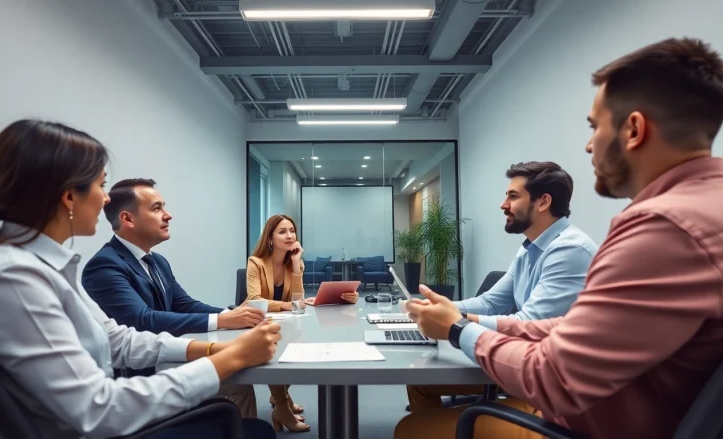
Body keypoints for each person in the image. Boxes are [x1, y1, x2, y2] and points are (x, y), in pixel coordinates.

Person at [396, 37, 723, 439]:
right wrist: (457, 317)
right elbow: (565, 330)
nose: (588, 145)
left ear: (634, 129)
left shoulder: (663, 228)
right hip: (609, 408)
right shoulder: (704, 208)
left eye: (594, 127)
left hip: (582, 425)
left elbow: (554, 377)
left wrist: (458, 329)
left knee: (413, 431)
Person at [0, 119, 278, 439]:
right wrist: (232, 357)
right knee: (256, 432)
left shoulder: (36, 267)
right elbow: (99, 410)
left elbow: (119, 340)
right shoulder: (12, 279)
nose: (106, 198)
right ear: (69, 197)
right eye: (100, 185)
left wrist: (211, 349)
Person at [406, 161, 598, 413]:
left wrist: (455, 320)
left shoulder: (569, 249)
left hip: (553, 387)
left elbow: (528, 324)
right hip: (528, 365)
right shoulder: (530, 247)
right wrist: (435, 308)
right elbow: (490, 302)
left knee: (411, 428)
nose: (503, 204)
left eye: (513, 196)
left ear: (543, 202)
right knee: (419, 381)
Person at [81, 178, 263, 416]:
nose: (168, 215)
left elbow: (183, 304)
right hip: (142, 379)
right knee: (235, 382)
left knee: (237, 381)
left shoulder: (156, 261)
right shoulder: (105, 265)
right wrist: (223, 321)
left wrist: (231, 314)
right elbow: (142, 319)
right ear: (127, 219)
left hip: (167, 358)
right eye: (157, 208)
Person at [246, 214, 359, 433]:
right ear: (270, 238)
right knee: (277, 351)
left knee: (299, 347)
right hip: (258, 321)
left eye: (292, 231)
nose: (290, 236)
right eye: (282, 231)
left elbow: (297, 297)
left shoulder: (294, 263)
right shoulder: (256, 263)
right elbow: (254, 300)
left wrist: (296, 264)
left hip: (285, 321)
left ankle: (281, 395)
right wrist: (287, 306)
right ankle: (281, 407)